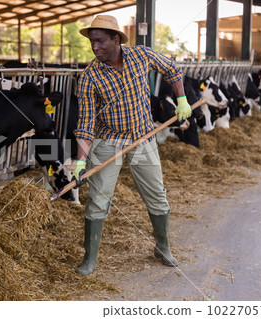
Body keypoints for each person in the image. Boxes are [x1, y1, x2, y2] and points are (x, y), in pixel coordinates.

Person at [72, 15, 192, 276]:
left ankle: (163, 247)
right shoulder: (90, 77)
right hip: (108, 141)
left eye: (100, 41)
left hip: (143, 138)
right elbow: (85, 123)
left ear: (116, 39)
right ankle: (90, 258)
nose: (95, 47)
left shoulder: (141, 56)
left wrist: (181, 98)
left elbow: (172, 69)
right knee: (97, 200)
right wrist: (81, 160)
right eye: (92, 42)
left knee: (157, 195)